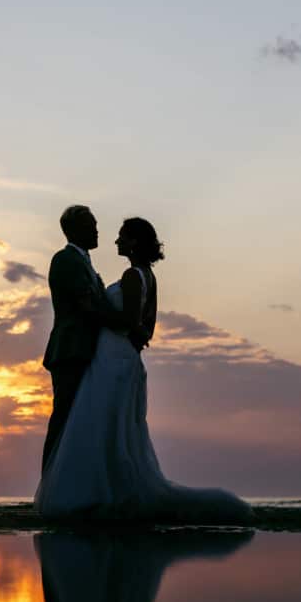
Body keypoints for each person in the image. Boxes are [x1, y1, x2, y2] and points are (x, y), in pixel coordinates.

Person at [35, 215, 252, 523]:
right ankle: (95, 489)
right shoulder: (144, 275)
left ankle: (88, 493)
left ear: (135, 241)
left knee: (101, 425)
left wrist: (121, 325)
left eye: (122, 236)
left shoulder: (133, 276)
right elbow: (143, 325)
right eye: (96, 226)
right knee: (107, 426)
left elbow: (131, 321)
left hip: (113, 359)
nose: (114, 239)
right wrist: (137, 333)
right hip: (112, 357)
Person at [40, 205, 142, 473]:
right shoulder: (65, 260)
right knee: (64, 416)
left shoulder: (83, 261)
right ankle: (50, 482)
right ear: (75, 230)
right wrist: (125, 324)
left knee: (78, 420)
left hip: (87, 351)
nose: (97, 231)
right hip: (71, 349)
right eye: (92, 226)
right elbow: (87, 304)